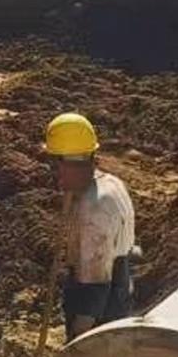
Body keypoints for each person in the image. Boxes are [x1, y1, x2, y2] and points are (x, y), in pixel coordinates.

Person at [44, 112, 137, 338]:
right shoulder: (112, 184)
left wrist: (77, 341)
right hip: (120, 291)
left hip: (101, 315)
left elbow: (95, 290)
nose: (55, 175)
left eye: (56, 164)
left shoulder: (93, 208)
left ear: (67, 163)